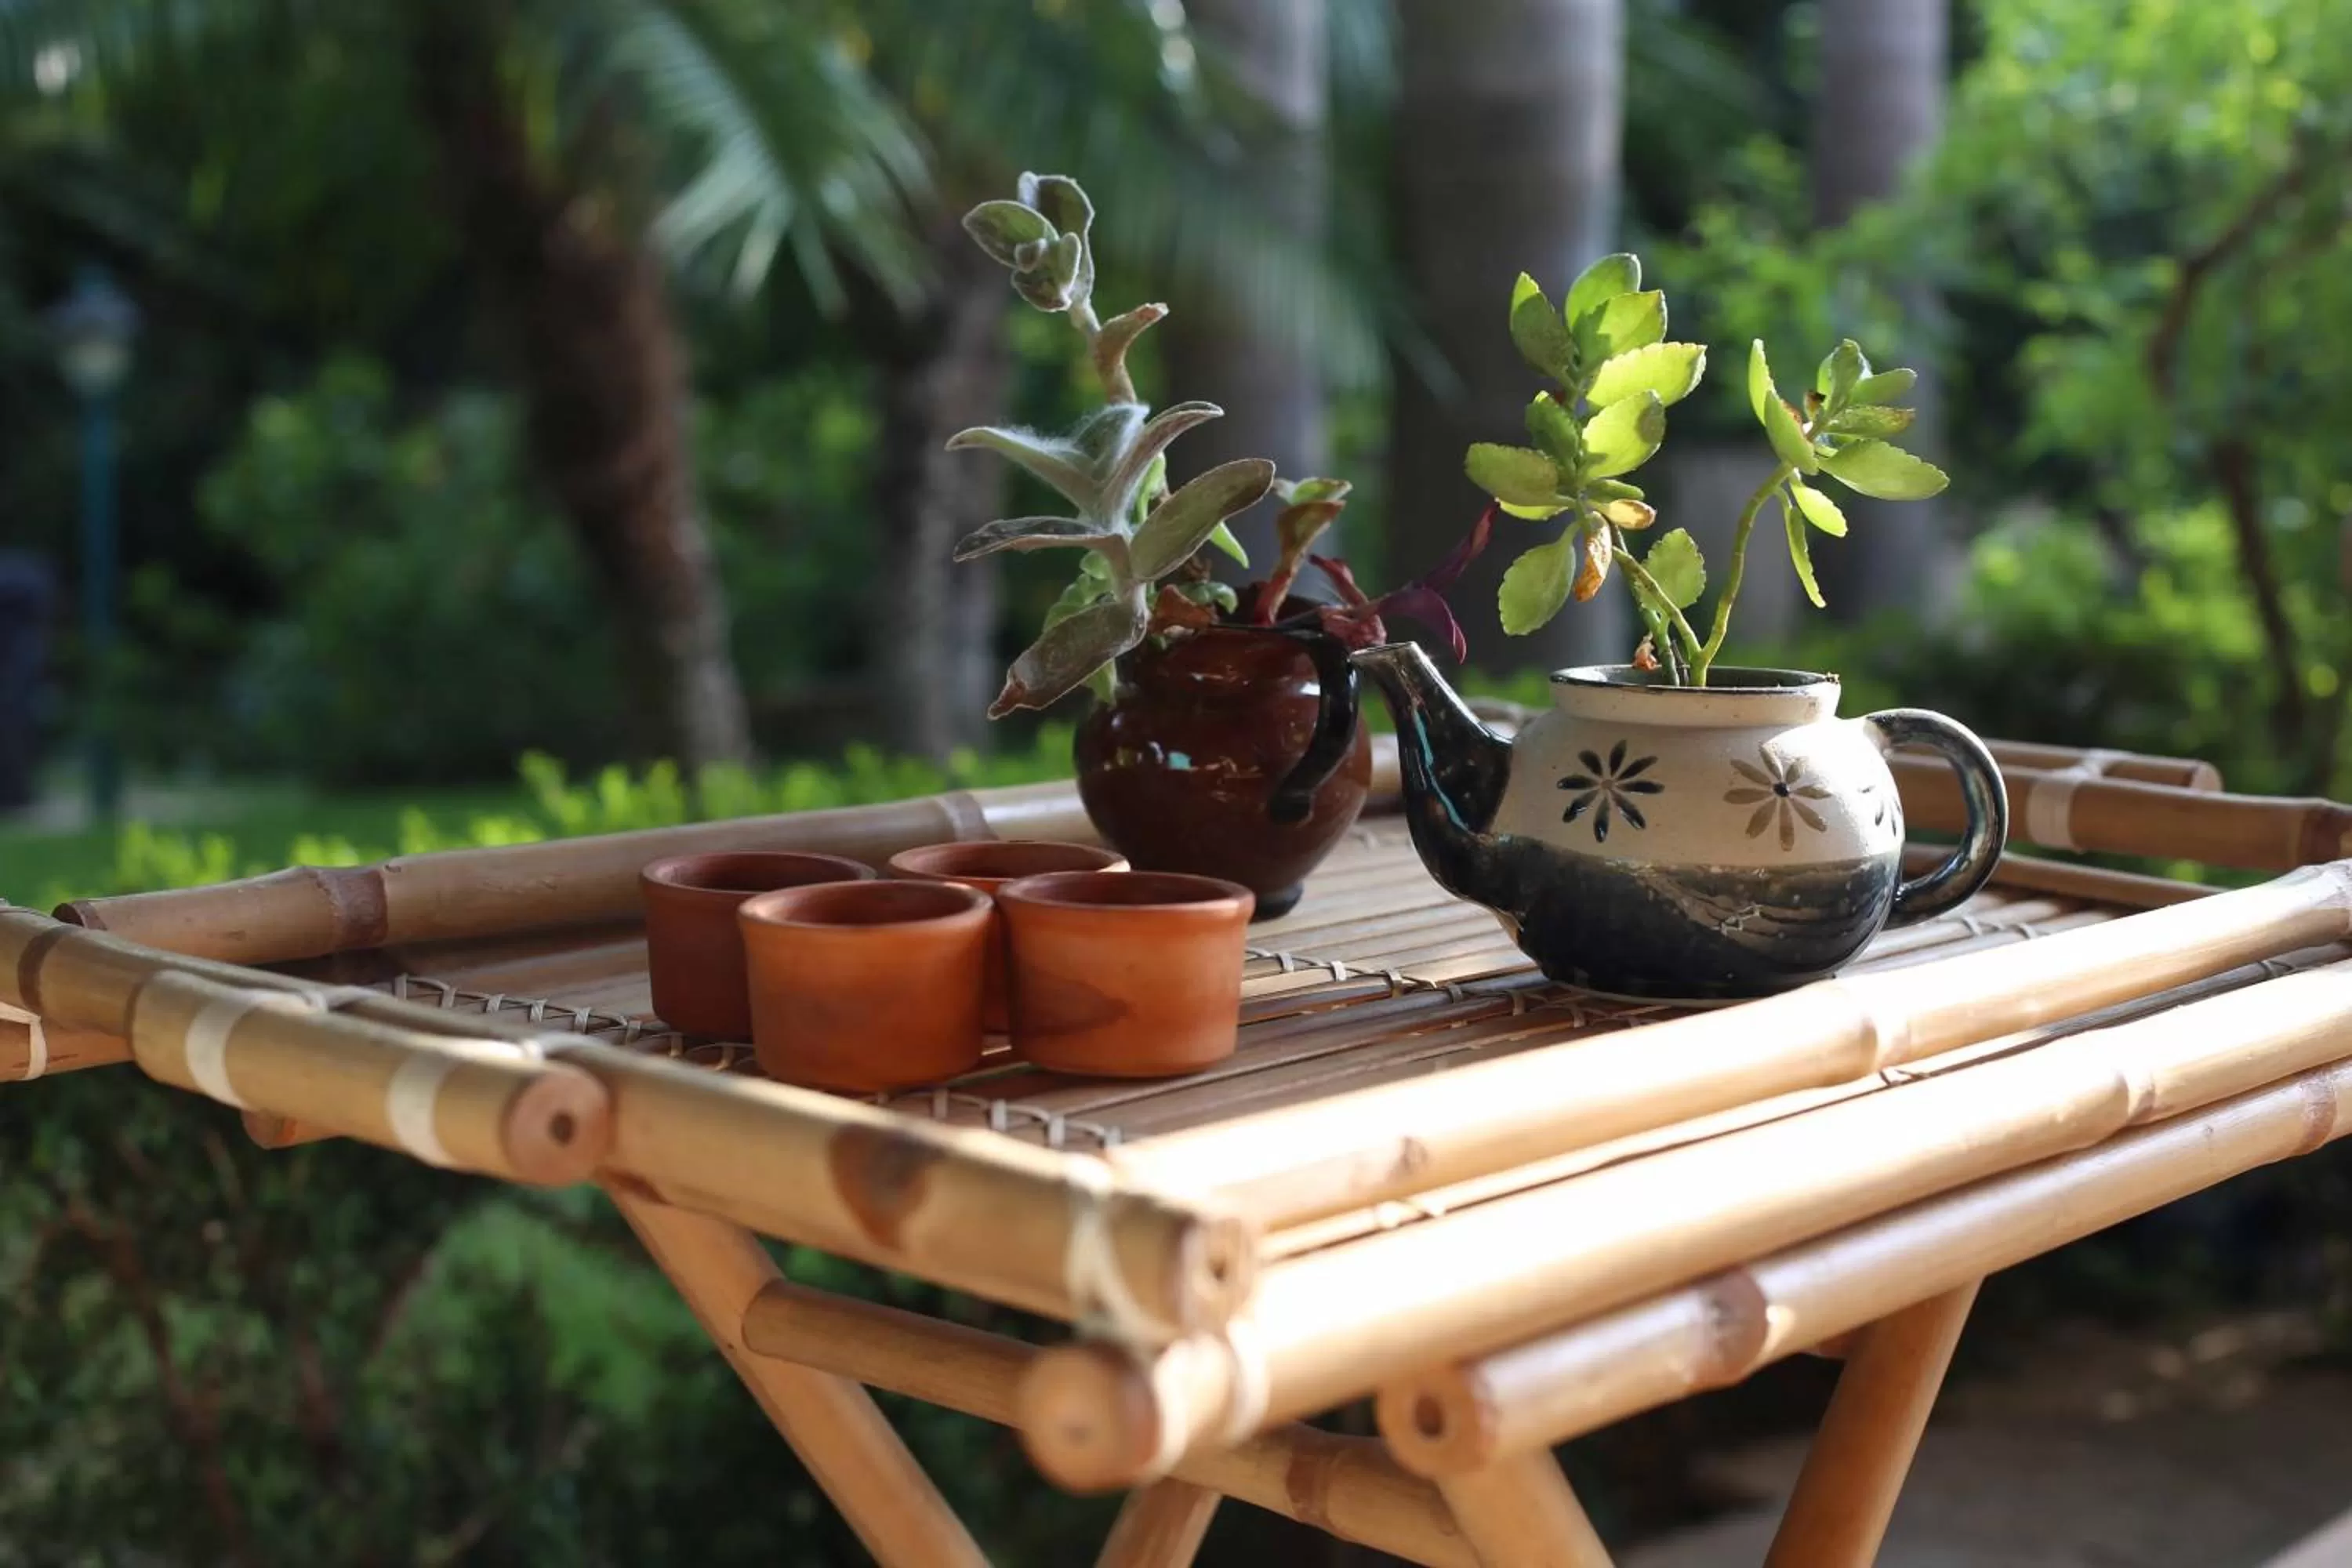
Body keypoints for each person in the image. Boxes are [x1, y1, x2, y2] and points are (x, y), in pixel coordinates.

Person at [0, 553, 55, 813]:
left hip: (18, 675)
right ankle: (15, 794)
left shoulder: (19, 578)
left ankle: (15, 794)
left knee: (16, 722)